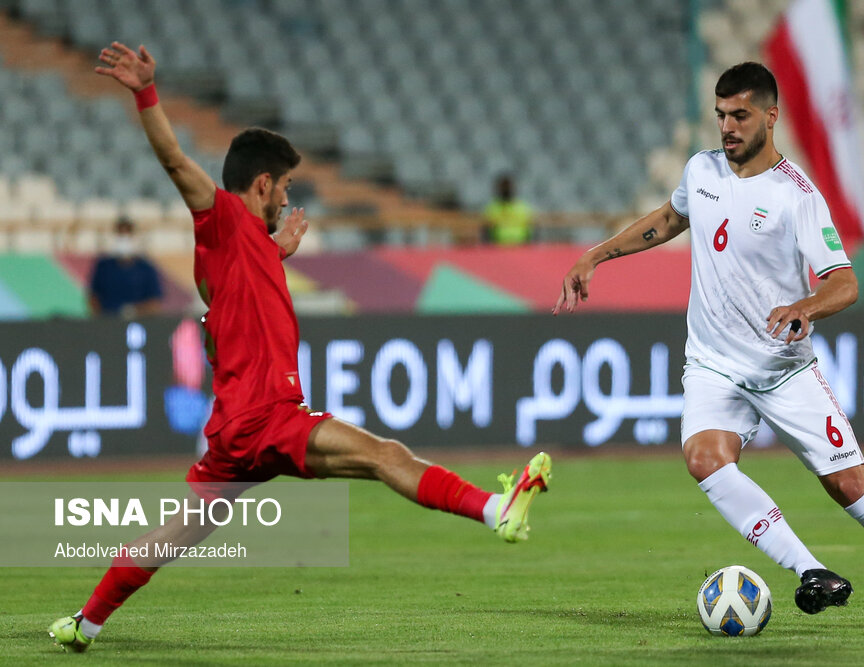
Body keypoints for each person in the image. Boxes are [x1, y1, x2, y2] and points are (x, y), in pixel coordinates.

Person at [48, 42, 552, 653]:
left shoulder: (243, 249)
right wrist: (146, 92)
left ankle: (85, 621)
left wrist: (276, 252)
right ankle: (495, 509)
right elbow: (177, 162)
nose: (288, 198)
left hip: (233, 431)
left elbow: (238, 293)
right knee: (385, 455)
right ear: (262, 183)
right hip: (267, 418)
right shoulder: (222, 219)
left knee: (175, 534)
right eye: (284, 185)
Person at [553, 62, 864, 634]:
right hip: (713, 364)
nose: (727, 127)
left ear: (770, 117)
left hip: (781, 368)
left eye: (740, 115)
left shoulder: (796, 195)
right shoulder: (701, 169)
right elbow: (671, 217)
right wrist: (595, 255)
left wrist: (805, 307)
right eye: (721, 115)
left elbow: (844, 283)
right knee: (704, 458)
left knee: (850, 485)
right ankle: (811, 570)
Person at [88, 216, 164, 317]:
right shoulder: (103, 267)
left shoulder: (146, 269)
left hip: (139, 322)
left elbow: (155, 303)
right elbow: (93, 299)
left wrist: (133, 311)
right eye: (120, 234)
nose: (124, 238)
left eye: (127, 234)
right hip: (108, 322)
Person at [483, 174, 534, 245]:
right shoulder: (492, 208)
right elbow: (487, 230)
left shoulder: (522, 207)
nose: (506, 190)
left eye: (508, 187)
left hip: (520, 245)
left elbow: (530, 229)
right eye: (504, 188)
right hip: (498, 246)